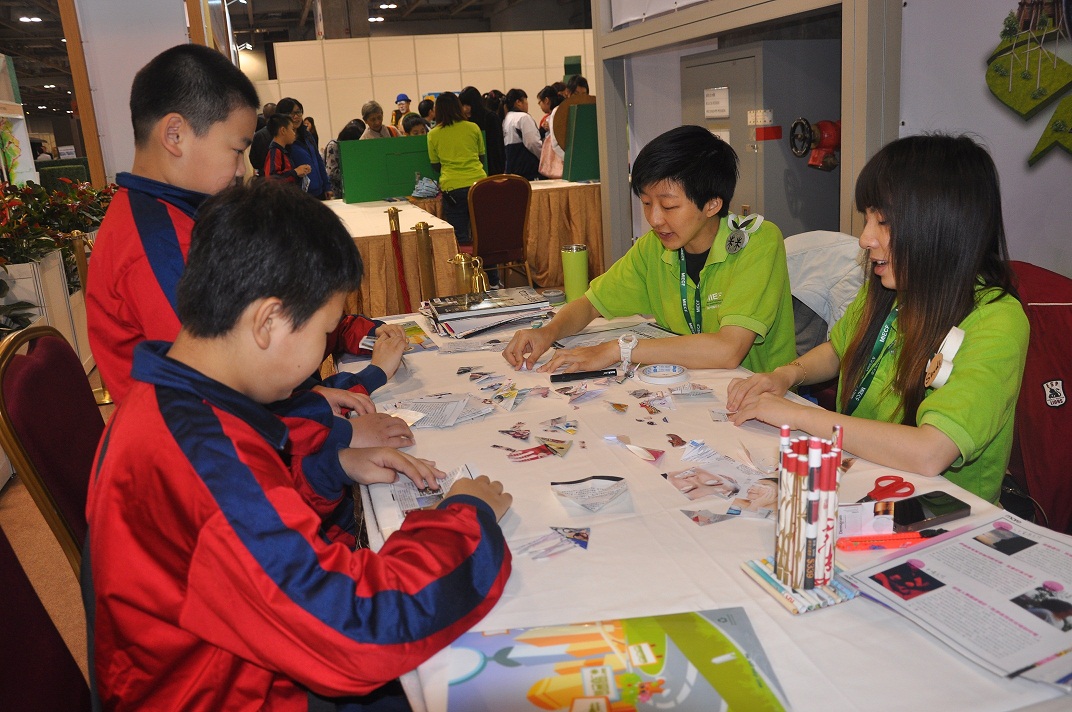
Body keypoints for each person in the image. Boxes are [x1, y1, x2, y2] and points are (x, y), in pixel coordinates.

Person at [83, 180, 514, 711]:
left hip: (227, 662)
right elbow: (359, 631)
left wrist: (328, 470)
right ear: (268, 321)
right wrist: (465, 519)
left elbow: (249, 539)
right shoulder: (202, 460)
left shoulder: (169, 397)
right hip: (231, 692)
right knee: (497, 687)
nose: (320, 360)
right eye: (325, 332)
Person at [86, 45, 412, 507]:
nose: (245, 170)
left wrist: (323, 397)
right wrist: (334, 424)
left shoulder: (175, 217)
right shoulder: (157, 244)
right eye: (237, 150)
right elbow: (219, 391)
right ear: (175, 134)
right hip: (214, 472)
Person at [726, 134, 1029, 504]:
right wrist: (785, 375)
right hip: (863, 481)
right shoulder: (892, 286)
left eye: (882, 221)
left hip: (937, 513)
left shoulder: (995, 321)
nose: (865, 238)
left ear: (941, 227)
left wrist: (797, 414)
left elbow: (929, 451)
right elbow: (839, 349)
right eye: (866, 218)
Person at [504, 125, 795, 375]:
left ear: (712, 204)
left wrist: (619, 349)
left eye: (669, 206)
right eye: (646, 203)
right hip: (688, 385)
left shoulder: (757, 243)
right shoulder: (653, 248)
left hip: (758, 398)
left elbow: (728, 351)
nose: (654, 219)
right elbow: (591, 303)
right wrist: (547, 332)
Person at [427, 91, 486, 245]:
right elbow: (481, 158)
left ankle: (466, 268)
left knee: (460, 237)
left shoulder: (433, 134)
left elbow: (435, 166)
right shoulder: (473, 128)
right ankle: (490, 269)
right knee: (483, 234)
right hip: (479, 185)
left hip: (452, 189)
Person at [275, 98, 332, 200]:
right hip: (299, 196)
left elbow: (318, 160)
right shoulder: (282, 141)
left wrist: (327, 186)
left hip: (319, 191)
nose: (296, 117)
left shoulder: (307, 135)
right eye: (291, 113)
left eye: (298, 112)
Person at [459, 86, 504, 176]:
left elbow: (497, 147)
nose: (465, 109)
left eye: (468, 105)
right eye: (462, 105)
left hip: (492, 167)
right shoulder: (463, 121)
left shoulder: (490, 118)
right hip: (471, 169)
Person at [501, 88, 541, 180]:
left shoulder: (506, 119)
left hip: (512, 169)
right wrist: (543, 158)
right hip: (527, 169)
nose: (527, 104)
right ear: (518, 102)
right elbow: (532, 143)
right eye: (526, 100)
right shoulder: (523, 117)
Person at [263, 113, 311, 185]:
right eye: (292, 129)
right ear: (283, 130)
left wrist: (298, 174)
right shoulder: (275, 151)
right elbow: (272, 179)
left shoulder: (282, 151)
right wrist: (295, 172)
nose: (294, 133)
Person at [324, 118, 365, 198]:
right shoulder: (334, 146)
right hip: (338, 192)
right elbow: (331, 172)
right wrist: (353, 175)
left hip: (354, 188)